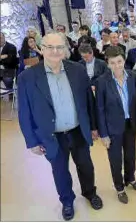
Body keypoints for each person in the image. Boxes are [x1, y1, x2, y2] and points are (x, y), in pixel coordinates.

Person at [17, 32, 103, 220]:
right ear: (42, 49)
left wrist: (94, 127)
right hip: (52, 135)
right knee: (60, 171)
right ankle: (67, 201)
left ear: (66, 49)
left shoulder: (78, 70)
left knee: (86, 166)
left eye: (59, 47)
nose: (55, 51)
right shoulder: (27, 78)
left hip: (78, 130)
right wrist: (31, 141)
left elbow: (89, 101)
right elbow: (24, 112)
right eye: (50, 47)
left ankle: (90, 193)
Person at [95, 46, 136, 204]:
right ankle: (119, 188)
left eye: (119, 61)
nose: (117, 66)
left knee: (131, 155)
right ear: (108, 63)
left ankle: (130, 178)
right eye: (112, 63)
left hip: (130, 124)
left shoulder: (132, 76)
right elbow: (100, 109)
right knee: (116, 159)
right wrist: (103, 134)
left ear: (124, 60)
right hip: (112, 128)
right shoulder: (102, 82)